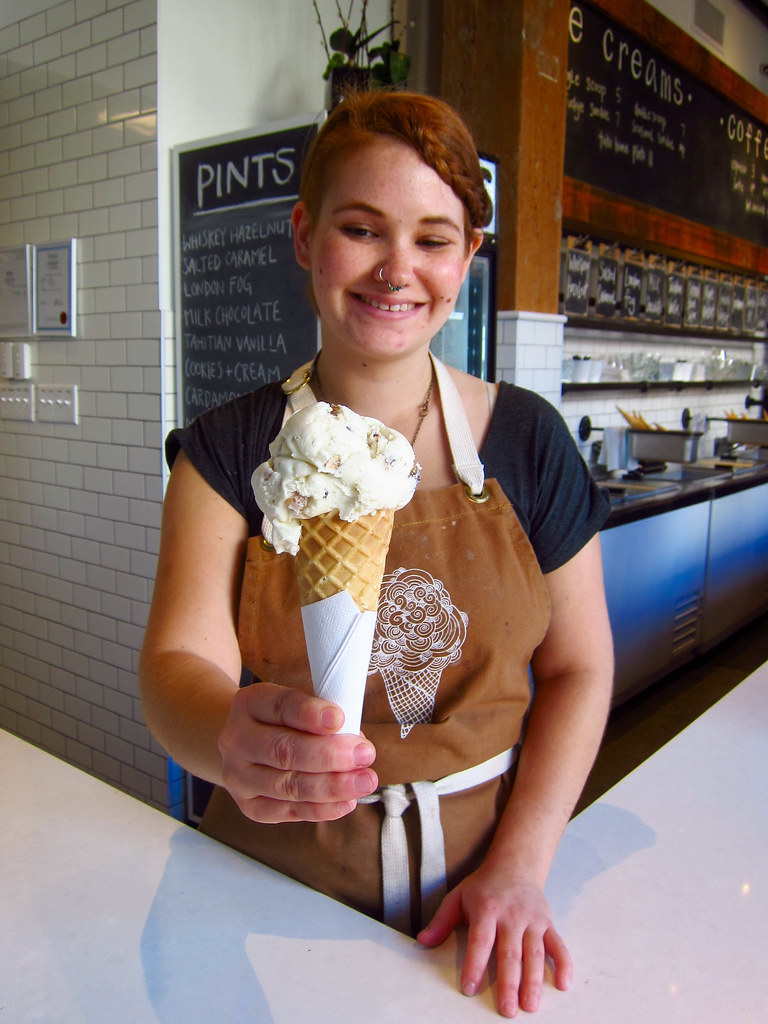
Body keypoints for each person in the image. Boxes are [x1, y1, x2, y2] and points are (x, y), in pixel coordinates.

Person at [139, 89, 614, 1018]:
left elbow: (582, 668)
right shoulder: (229, 452)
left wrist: (520, 868)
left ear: (469, 258)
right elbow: (173, 668)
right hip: (259, 898)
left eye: (434, 239)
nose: (399, 268)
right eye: (363, 229)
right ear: (306, 236)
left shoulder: (527, 442)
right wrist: (226, 738)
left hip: (479, 906)